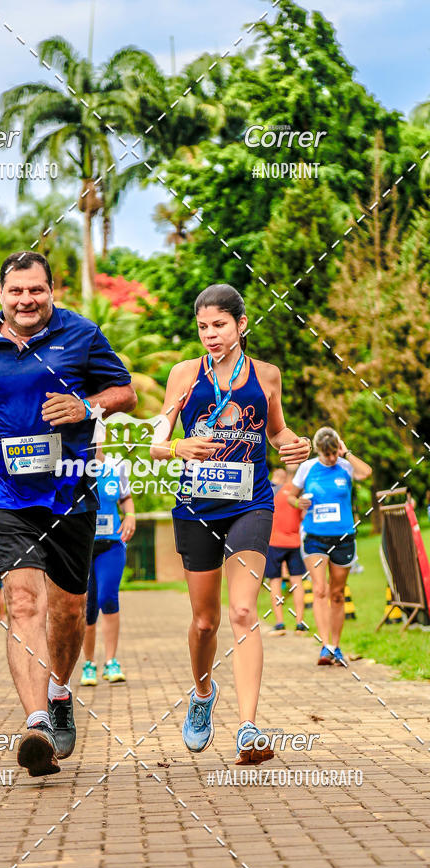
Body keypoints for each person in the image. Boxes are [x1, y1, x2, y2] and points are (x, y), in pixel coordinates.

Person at [0, 250, 136, 778]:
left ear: (52, 291)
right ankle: (36, 726)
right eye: (16, 291)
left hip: (71, 491)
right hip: (6, 495)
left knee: (70, 611)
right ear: (1, 294)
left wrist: (88, 407)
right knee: (24, 601)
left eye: (36, 290)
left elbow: (128, 392)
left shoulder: (81, 335)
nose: (26, 300)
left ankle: (59, 691)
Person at [151, 284, 311, 764]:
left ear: (242, 325)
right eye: (202, 327)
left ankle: (247, 727)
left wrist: (293, 442)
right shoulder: (183, 375)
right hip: (197, 506)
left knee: (243, 611)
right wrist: (177, 446)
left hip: (251, 503)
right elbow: (157, 439)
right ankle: (203, 694)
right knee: (205, 622)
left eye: (218, 325)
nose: (210, 335)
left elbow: (276, 429)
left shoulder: (266, 375)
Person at [289, 427, 372, 667]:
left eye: (334, 453)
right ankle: (324, 646)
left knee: (337, 594)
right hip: (315, 537)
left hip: (343, 537)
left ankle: (336, 646)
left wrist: (347, 454)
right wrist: (299, 501)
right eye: (328, 455)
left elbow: (366, 473)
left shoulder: (346, 465)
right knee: (320, 590)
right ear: (318, 452)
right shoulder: (307, 468)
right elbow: (290, 496)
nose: (332, 458)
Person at [81, 449, 136, 686]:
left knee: (108, 598)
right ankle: (89, 664)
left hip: (111, 544)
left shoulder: (116, 465)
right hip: (82, 546)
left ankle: (111, 661)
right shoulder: (71, 465)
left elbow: (125, 497)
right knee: (88, 605)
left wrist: (131, 515)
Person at [264, 466, 307, 633]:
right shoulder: (298, 495)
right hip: (294, 542)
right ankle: (300, 623)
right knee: (297, 582)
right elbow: (303, 516)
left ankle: (280, 623)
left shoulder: (270, 492)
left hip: (274, 542)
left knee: (275, 581)